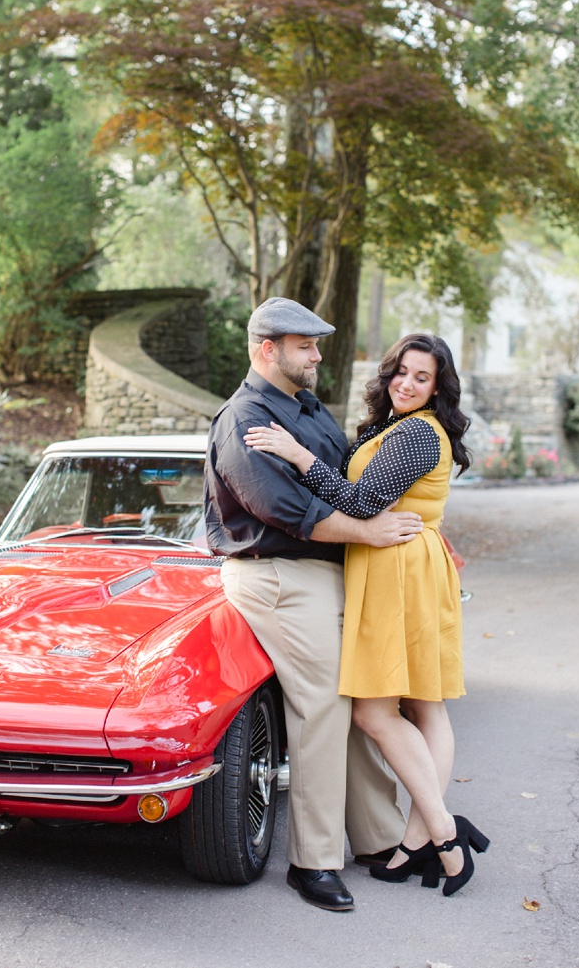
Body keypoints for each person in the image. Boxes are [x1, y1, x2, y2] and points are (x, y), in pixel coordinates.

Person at [243, 332, 488, 896]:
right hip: (399, 567)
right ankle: (420, 837)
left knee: (380, 713)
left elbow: (359, 503)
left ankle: (443, 835)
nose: (406, 383)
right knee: (423, 708)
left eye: (421, 377)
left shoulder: (420, 434)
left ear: (437, 387)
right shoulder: (397, 428)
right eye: (401, 371)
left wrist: (298, 455)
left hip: (400, 574)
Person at [203, 297, 418, 912]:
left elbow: (347, 482)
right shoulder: (244, 418)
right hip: (276, 575)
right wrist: (369, 533)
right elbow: (286, 510)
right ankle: (313, 861)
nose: (318, 354)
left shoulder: (307, 410)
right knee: (324, 702)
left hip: (327, 573)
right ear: (267, 349)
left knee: (361, 695)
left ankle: (377, 838)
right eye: (307, 345)